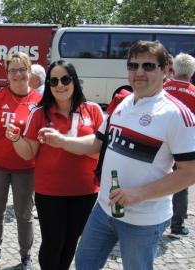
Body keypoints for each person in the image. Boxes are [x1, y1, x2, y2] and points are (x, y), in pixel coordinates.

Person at [38, 40, 195, 269]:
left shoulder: (177, 115)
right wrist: (63, 141)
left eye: (148, 66)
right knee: (84, 263)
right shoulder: (122, 103)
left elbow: (189, 172)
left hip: (143, 220)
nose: (139, 72)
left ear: (166, 70)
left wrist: (139, 194)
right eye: (133, 66)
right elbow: (96, 143)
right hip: (103, 210)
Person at [8, 60, 103, 270]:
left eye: (65, 79)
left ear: (74, 81)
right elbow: (29, 153)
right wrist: (16, 139)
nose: (60, 85)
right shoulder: (40, 113)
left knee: (71, 240)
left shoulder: (93, 111)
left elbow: (100, 150)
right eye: (53, 81)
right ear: (48, 85)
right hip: (50, 191)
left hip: (85, 190)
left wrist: (64, 142)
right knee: (53, 242)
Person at [0, 52, 42, 270]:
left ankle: (26, 256)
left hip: (26, 167)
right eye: (12, 70)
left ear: (29, 71)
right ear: (6, 74)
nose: (17, 74)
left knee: (24, 214)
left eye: (21, 69)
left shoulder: (39, 100)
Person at [163, 52, 195, 236]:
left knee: (154, 177)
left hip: (158, 143)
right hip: (184, 146)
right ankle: (177, 225)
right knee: (181, 183)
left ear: (174, 69)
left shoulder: (162, 88)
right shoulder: (194, 93)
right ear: (192, 72)